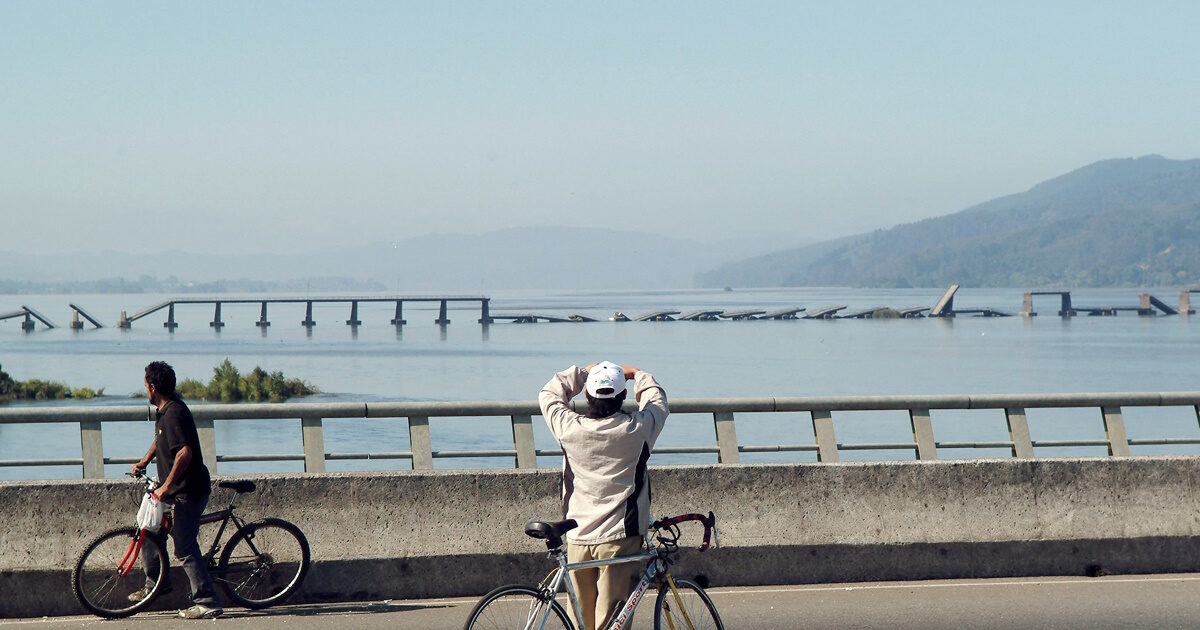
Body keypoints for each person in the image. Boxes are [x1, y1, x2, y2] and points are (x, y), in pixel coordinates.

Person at [539, 361, 669, 630]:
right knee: (611, 623)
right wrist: (638, 375)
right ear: (623, 396)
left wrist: (583, 373)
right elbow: (657, 401)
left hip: (577, 534)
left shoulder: (568, 427)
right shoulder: (637, 430)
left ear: (586, 395)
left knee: (581, 622)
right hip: (620, 538)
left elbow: (549, 395)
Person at [131, 361, 222, 619]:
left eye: (146, 385)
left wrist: (166, 486)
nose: (145, 390)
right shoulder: (165, 410)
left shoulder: (174, 413)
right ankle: (157, 584)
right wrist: (145, 461)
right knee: (149, 531)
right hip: (174, 491)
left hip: (188, 492)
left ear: (153, 386)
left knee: (183, 545)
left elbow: (184, 452)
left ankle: (207, 601)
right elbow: (161, 439)